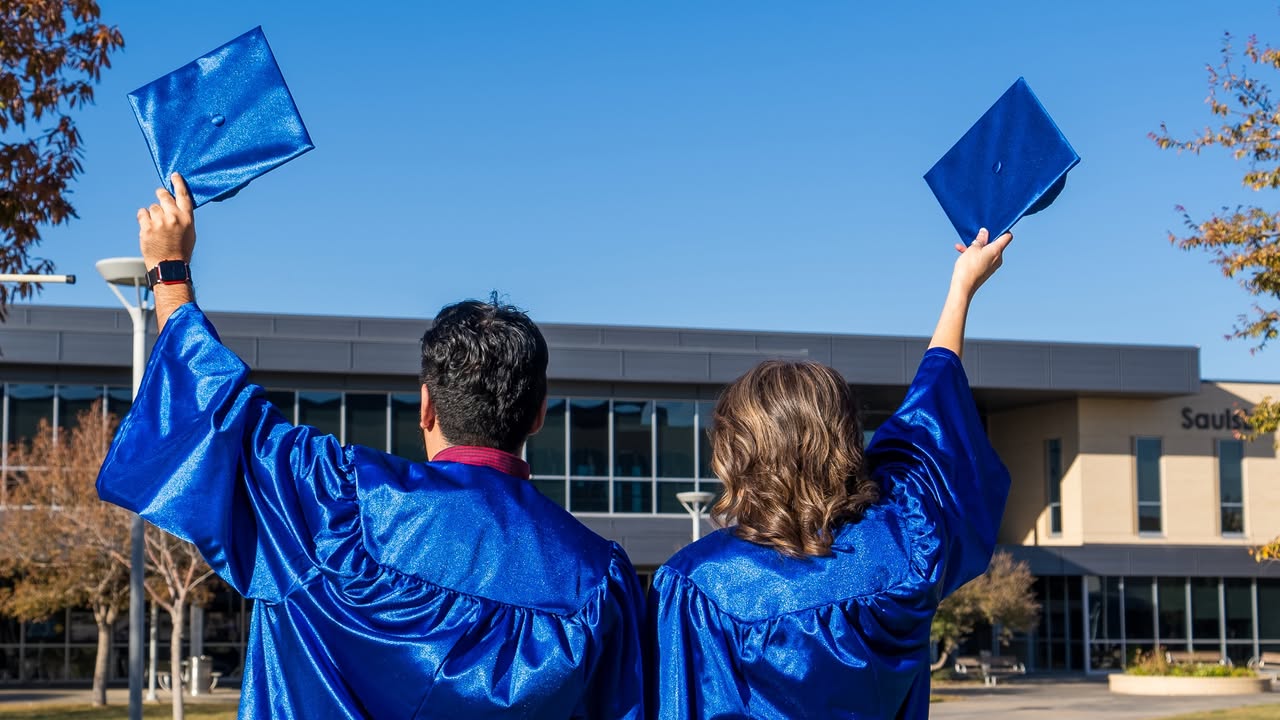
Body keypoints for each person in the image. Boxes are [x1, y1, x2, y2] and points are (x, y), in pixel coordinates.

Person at [97, 174, 645, 719]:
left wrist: (169, 270)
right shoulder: (599, 583)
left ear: (425, 406)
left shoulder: (337, 503)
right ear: (539, 414)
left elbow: (219, 421)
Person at [646, 229, 1015, 719]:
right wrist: (961, 288)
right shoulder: (908, 546)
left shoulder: (698, 585)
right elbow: (929, 422)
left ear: (737, 454)